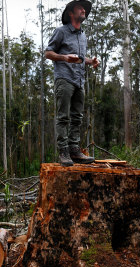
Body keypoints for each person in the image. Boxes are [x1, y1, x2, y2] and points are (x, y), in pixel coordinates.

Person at [45, 0, 100, 166]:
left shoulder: (83, 35)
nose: (83, 10)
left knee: (77, 117)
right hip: (64, 79)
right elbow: (48, 53)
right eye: (80, 8)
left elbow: (80, 59)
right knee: (63, 117)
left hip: (79, 80)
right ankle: (63, 152)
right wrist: (64, 57)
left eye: (84, 8)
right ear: (71, 12)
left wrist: (91, 61)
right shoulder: (61, 32)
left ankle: (75, 150)